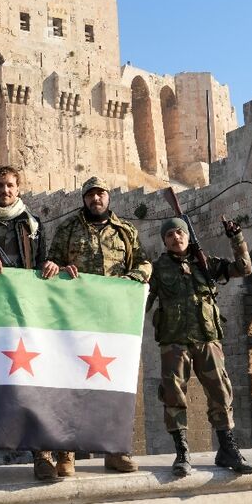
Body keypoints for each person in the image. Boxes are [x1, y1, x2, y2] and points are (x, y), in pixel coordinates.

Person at [46, 176, 152, 478]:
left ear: (108, 197)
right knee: (70, 383)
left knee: (114, 384)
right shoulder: (68, 229)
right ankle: (65, 454)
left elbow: (144, 265)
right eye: (91, 195)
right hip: (76, 319)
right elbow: (51, 263)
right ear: (84, 199)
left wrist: (128, 279)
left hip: (113, 320)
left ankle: (115, 451)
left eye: (101, 194)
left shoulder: (126, 231)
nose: (96, 199)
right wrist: (59, 269)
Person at [0, 165, 61, 482]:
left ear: (18, 189)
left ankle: (42, 456)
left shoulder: (32, 225)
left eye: (10, 186)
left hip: (23, 314)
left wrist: (50, 265)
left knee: (32, 387)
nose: (5, 191)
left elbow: (43, 259)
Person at [149, 216, 252, 476]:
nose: (176, 238)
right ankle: (182, 452)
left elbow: (244, 268)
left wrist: (236, 238)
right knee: (174, 394)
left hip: (207, 338)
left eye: (180, 233)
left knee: (220, 391)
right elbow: (142, 298)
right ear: (164, 241)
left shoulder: (207, 264)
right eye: (170, 235)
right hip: (174, 341)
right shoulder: (157, 268)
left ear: (187, 235)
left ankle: (227, 449)